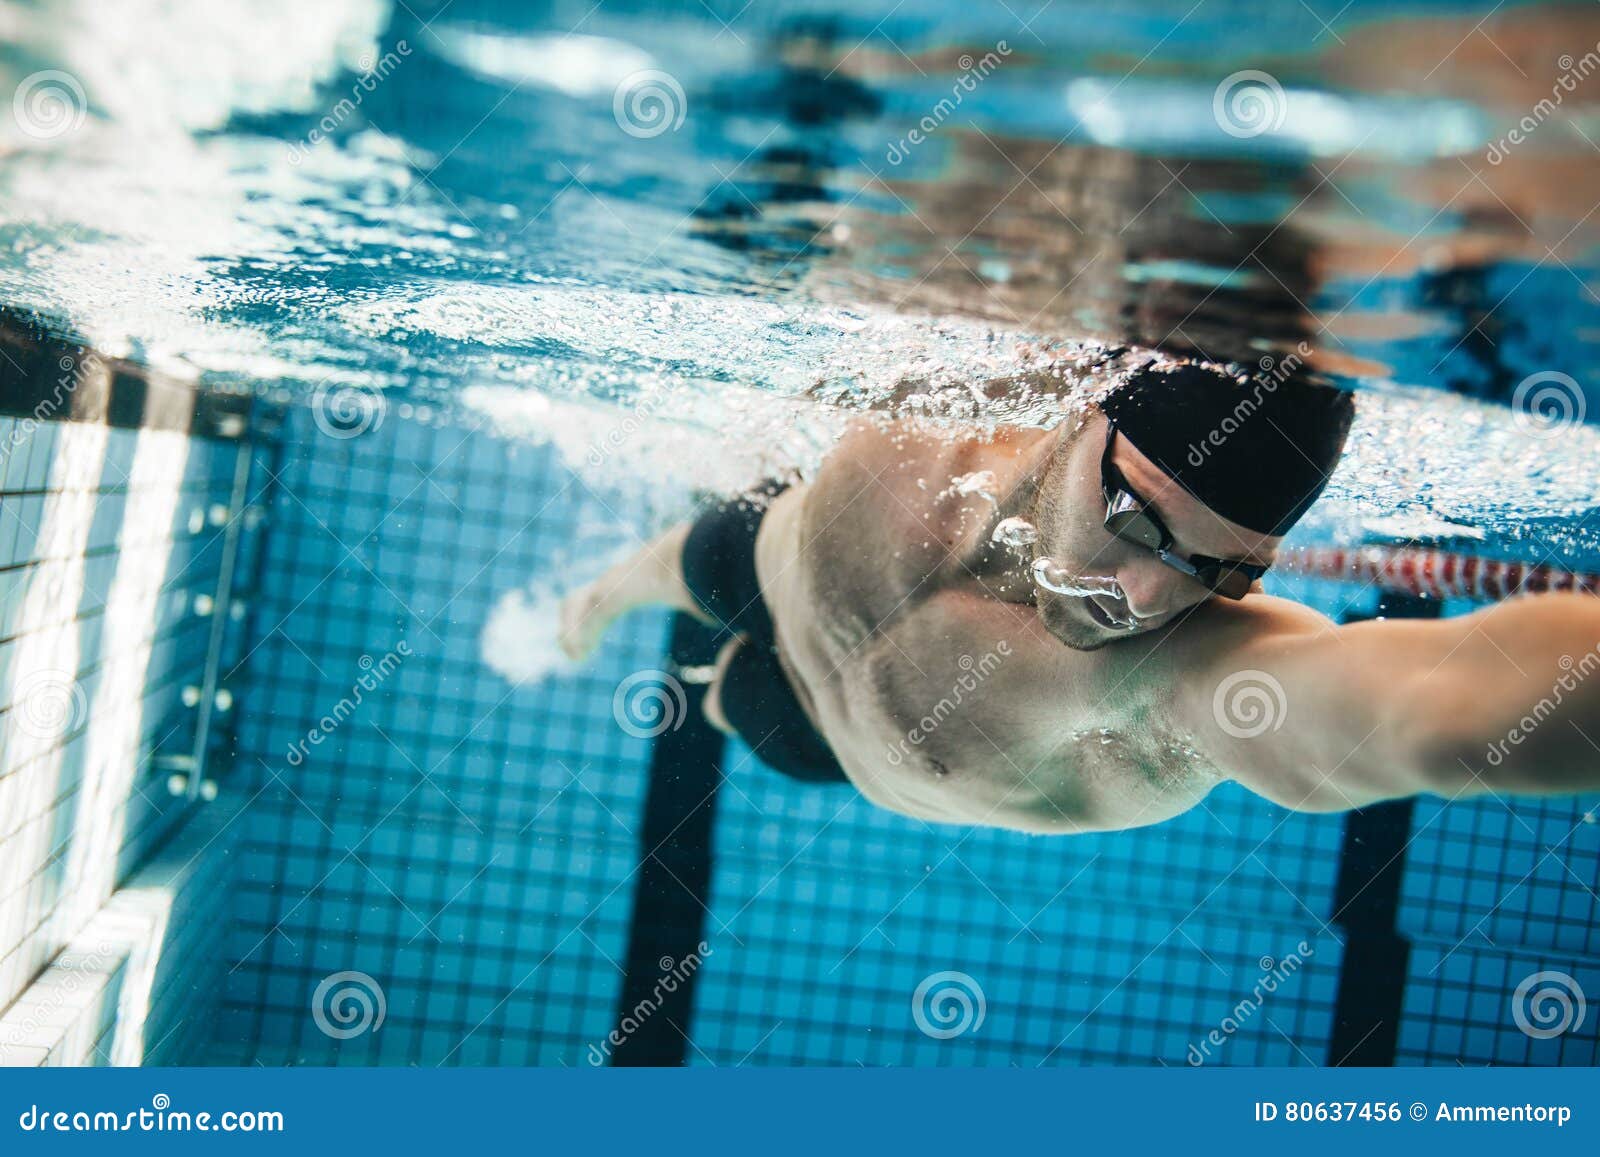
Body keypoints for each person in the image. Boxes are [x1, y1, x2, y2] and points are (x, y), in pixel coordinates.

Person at [560, 357, 1600, 833]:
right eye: (1140, 520)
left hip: (821, 745)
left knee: (730, 695)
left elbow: (1424, 710)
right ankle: (593, 604)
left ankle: (707, 678)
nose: (1145, 595)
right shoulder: (948, 385)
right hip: (765, 561)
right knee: (692, 558)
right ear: (1084, 411)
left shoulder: (1177, 679)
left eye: (1218, 568)